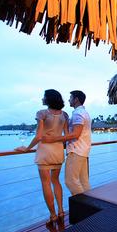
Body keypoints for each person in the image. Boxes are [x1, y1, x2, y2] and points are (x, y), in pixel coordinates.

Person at [15, 89, 69, 225]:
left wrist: (27, 148)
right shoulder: (65, 115)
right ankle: (61, 211)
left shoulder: (42, 113)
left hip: (45, 151)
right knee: (56, 181)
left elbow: (39, 136)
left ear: (49, 99)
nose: (42, 99)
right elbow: (66, 136)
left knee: (46, 183)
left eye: (44, 97)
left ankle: (53, 215)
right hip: (57, 151)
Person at [42, 90, 91, 195]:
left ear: (76, 99)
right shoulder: (83, 112)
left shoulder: (78, 114)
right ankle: (91, 207)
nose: (68, 100)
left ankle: (85, 206)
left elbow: (75, 134)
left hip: (76, 150)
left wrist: (53, 139)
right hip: (83, 150)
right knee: (83, 181)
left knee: (70, 181)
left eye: (70, 98)